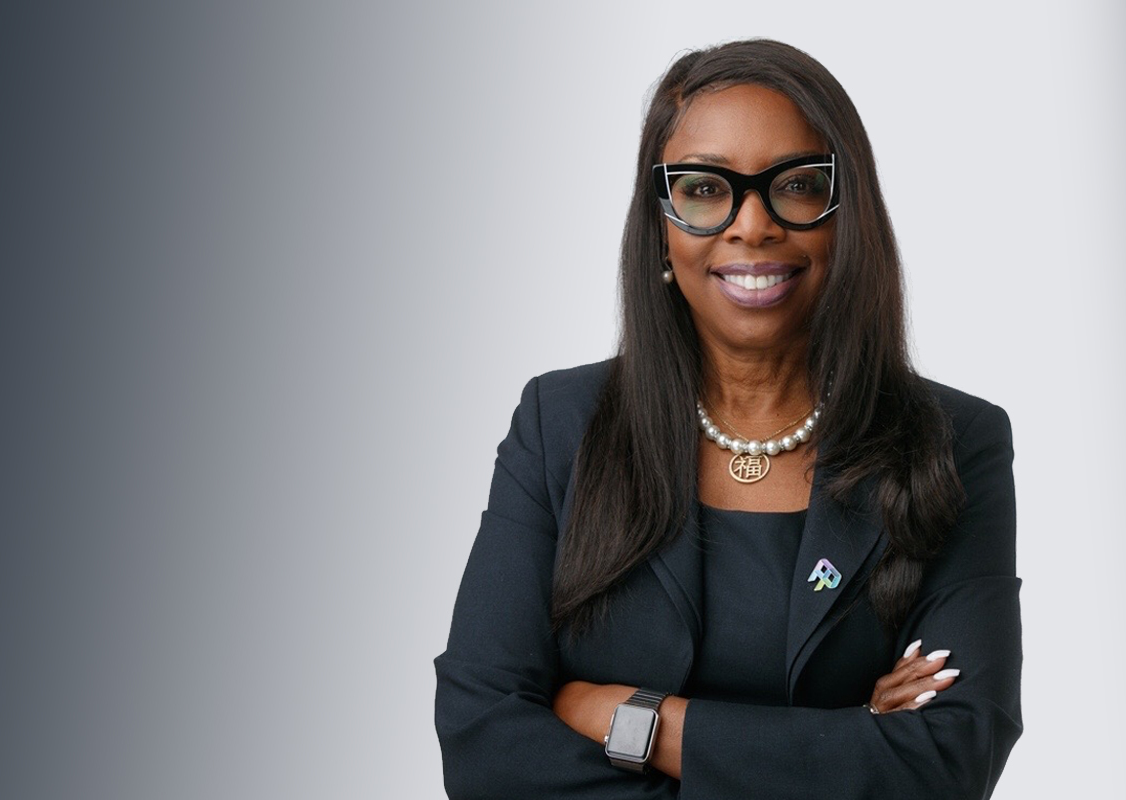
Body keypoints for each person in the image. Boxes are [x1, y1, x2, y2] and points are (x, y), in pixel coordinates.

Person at [434, 39, 1021, 799]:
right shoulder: (560, 426)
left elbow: (947, 762)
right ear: (661, 224)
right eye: (706, 189)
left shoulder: (953, 442)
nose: (752, 225)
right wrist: (850, 739)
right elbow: (483, 744)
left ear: (849, 216)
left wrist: (636, 720)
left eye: (798, 185)